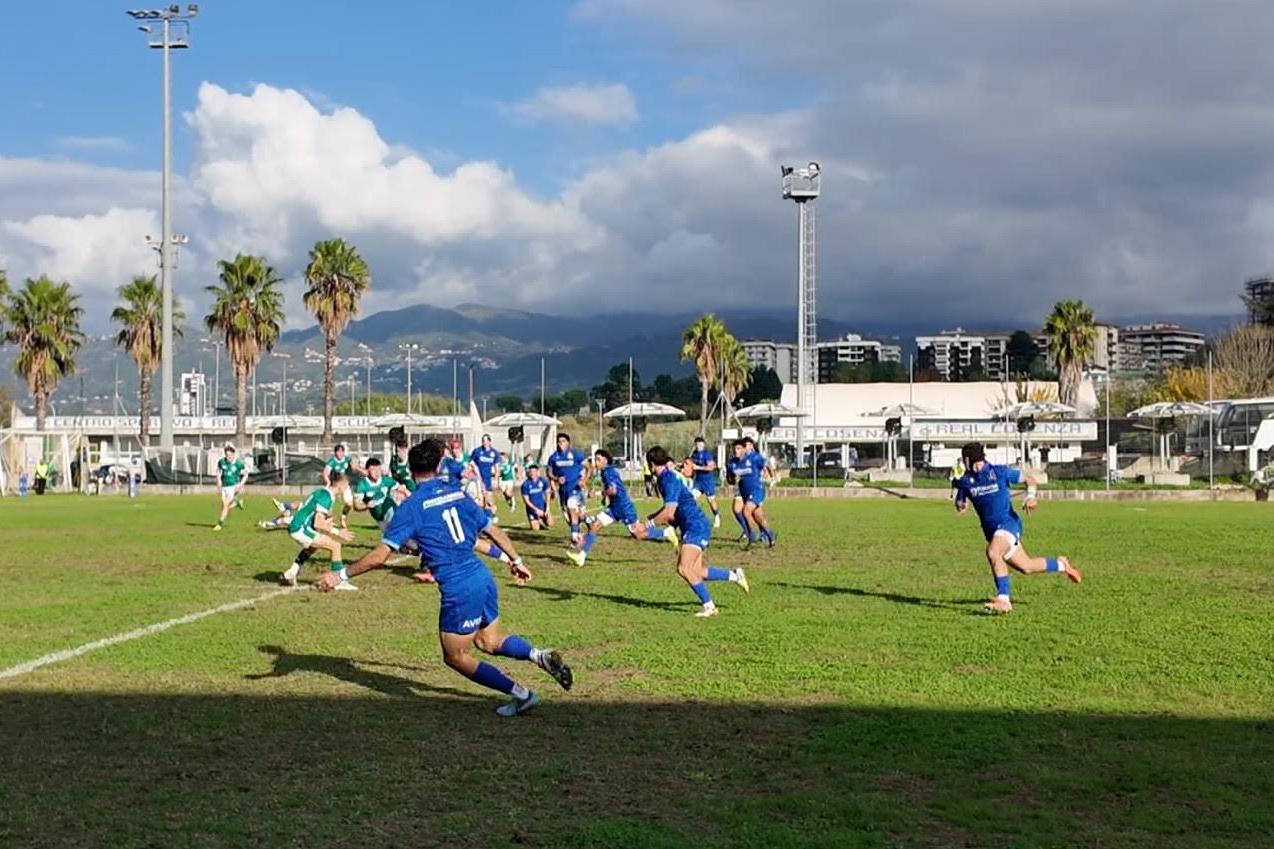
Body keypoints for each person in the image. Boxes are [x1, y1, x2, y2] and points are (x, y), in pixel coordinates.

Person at [317, 438, 574, 716]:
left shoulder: (412, 506)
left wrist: (339, 574)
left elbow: (380, 557)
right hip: (482, 577)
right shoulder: (456, 493)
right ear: (439, 465)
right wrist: (515, 559)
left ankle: (521, 694)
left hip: (459, 588)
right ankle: (538, 655)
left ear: (409, 470)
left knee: (454, 656)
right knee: (488, 641)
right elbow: (490, 531)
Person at [952, 442, 1082, 614]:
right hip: (993, 532)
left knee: (993, 552)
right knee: (1026, 567)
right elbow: (961, 506)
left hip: (1009, 524)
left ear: (969, 460)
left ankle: (1004, 600)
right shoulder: (965, 481)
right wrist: (956, 487)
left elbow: (1030, 479)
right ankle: (1061, 565)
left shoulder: (998, 472)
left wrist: (1031, 497)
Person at [645, 446, 749, 618]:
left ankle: (710, 606)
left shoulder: (667, 479)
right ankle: (735, 575)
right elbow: (672, 510)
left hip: (696, 526)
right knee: (697, 571)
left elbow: (670, 512)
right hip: (693, 525)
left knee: (684, 568)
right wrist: (656, 516)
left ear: (651, 464)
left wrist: (648, 524)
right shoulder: (666, 478)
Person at [568, 449, 676, 565]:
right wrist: (605, 497)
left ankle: (666, 532)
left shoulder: (609, 472)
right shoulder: (606, 472)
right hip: (615, 508)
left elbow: (613, 490)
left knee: (637, 534)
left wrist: (600, 493)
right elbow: (612, 490)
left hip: (625, 508)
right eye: (596, 460)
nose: (596, 462)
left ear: (605, 460)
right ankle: (581, 557)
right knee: (595, 526)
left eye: (599, 459)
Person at [280, 472, 358, 591]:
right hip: (300, 528)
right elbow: (318, 522)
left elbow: (315, 516)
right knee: (335, 545)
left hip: (300, 526)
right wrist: (337, 532)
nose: (347, 488)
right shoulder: (326, 497)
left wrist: (328, 524)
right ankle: (338, 581)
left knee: (313, 547)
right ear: (341, 485)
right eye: (347, 485)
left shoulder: (324, 492)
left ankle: (291, 573)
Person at [546, 433, 589, 545]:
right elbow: (549, 473)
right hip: (563, 490)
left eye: (563, 441)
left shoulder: (576, 455)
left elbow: (589, 467)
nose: (561, 444)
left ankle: (575, 538)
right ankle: (586, 522)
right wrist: (556, 479)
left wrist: (584, 481)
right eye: (559, 442)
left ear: (568, 443)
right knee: (569, 517)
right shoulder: (553, 457)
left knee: (572, 508)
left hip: (575, 488)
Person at [352, 458, 404, 532]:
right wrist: (367, 506)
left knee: (396, 530)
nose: (377, 473)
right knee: (390, 537)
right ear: (367, 471)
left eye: (379, 469)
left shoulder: (386, 480)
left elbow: (404, 490)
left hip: (389, 508)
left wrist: (415, 500)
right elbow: (356, 506)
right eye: (373, 470)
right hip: (378, 517)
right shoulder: (362, 485)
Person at [323, 444, 362, 529]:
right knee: (328, 504)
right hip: (334, 486)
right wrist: (328, 482)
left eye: (341, 451)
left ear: (344, 452)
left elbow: (354, 461)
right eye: (338, 451)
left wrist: (355, 464)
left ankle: (343, 518)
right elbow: (325, 473)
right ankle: (327, 521)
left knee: (349, 503)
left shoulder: (347, 459)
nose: (340, 453)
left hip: (344, 484)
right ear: (335, 453)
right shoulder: (332, 461)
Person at [688, 437, 722, 528]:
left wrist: (698, 468)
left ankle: (717, 517)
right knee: (690, 498)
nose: (698, 446)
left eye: (700, 444)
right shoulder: (694, 454)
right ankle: (693, 518)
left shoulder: (707, 455)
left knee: (711, 501)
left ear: (703, 445)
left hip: (708, 481)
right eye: (697, 444)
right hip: (698, 482)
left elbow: (711, 467)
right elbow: (690, 466)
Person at [213, 446, 247, 531]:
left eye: (230, 455)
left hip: (233, 487)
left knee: (225, 505)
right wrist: (219, 481)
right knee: (224, 506)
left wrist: (241, 484)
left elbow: (246, 474)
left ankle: (219, 524)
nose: (228, 457)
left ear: (233, 454)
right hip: (224, 486)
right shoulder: (221, 462)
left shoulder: (239, 463)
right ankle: (237, 504)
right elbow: (218, 471)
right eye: (227, 455)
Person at [469, 434, 501, 521]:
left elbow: (497, 468)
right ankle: (486, 517)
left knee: (489, 500)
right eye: (483, 441)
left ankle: (491, 515)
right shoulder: (477, 451)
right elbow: (471, 463)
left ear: (490, 442)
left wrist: (496, 479)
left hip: (488, 479)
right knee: (481, 501)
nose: (485, 443)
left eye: (487, 441)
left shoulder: (494, 453)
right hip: (478, 479)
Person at [520, 464, 553, 530]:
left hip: (542, 506)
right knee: (535, 529)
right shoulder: (525, 484)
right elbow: (526, 500)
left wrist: (547, 508)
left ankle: (542, 519)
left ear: (537, 472)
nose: (532, 473)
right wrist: (536, 510)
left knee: (550, 523)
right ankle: (538, 523)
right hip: (532, 509)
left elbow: (548, 494)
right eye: (531, 472)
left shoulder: (543, 481)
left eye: (534, 472)